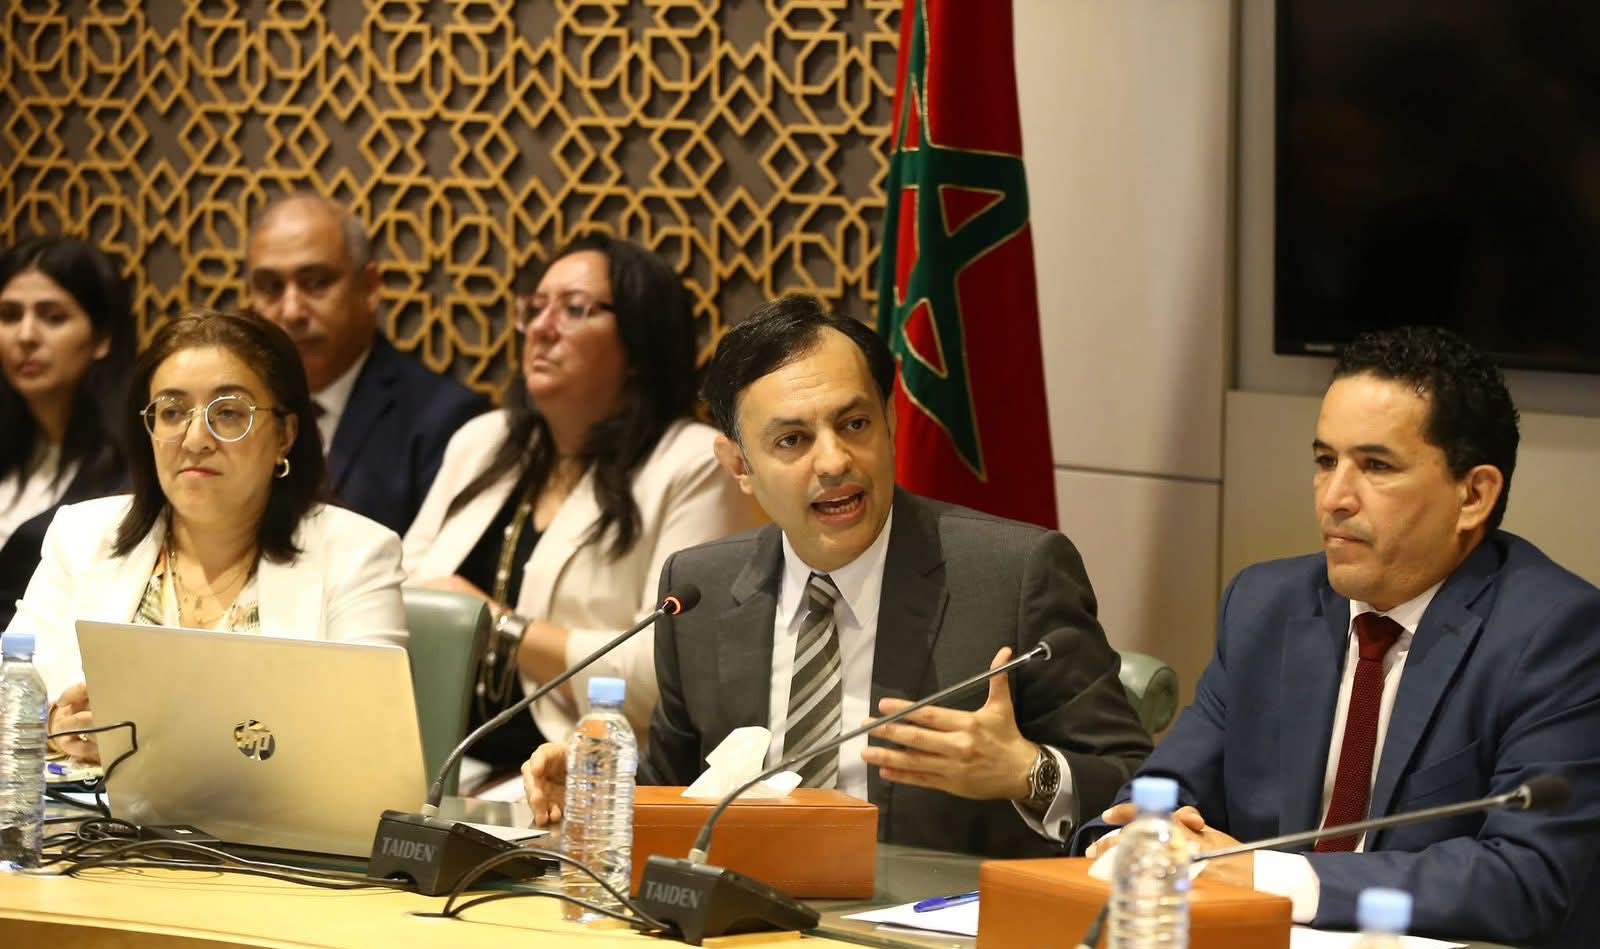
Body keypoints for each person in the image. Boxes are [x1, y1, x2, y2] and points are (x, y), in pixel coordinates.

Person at [522, 295, 1151, 858]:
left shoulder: (1013, 575)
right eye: (793, 441)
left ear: (890, 421)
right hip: (744, 923)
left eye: (854, 424)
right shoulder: (699, 590)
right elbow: (678, 790)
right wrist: (597, 787)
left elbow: (1137, 785)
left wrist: (1029, 772)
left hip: (938, 931)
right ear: (739, 466)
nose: (834, 461)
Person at [1081, 326, 1600, 949]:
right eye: (1326, 461)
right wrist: (1141, 836)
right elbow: (1165, 791)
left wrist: (1273, 878)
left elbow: (1524, 877)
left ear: (1473, 495)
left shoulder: (1557, 635)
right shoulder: (1266, 606)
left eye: (1375, 466)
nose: (1333, 498)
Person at [402, 233, 752, 779]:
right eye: (535, 308)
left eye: (574, 309)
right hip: (434, 758)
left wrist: (496, 627)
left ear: (638, 341)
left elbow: (668, 673)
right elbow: (402, 588)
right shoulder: (484, 441)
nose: (542, 328)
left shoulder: (691, 464)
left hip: (579, 777)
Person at [8, 309, 407, 765]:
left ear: (284, 435)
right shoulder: (82, 535)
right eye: (172, 412)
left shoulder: (357, 555)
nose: (195, 438)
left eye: (229, 413)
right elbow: (13, 691)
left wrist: (152, 747)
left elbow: (371, 746)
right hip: (86, 810)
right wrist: (56, 724)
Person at [245, 195, 488, 533]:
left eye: (316, 283)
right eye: (271, 287)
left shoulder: (444, 421)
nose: (291, 311)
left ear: (370, 287)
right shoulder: (233, 410)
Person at [0, 236, 135, 630]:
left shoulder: (133, 466)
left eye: (53, 317)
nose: (26, 336)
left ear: (102, 337)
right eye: (9, 315)